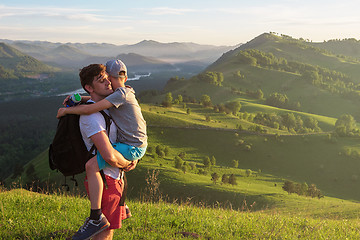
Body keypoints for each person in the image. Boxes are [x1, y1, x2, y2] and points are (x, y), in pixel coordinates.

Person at [57, 60, 147, 239]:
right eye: (102, 79)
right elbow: (109, 156)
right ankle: (96, 216)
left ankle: (106, 212)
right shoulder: (93, 116)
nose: (108, 82)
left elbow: (96, 103)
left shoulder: (118, 96)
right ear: (90, 87)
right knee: (105, 232)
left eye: (108, 78)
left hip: (116, 174)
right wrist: (127, 162)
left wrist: (70, 108)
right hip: (108, 181)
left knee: (107, 230)